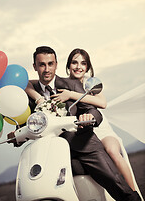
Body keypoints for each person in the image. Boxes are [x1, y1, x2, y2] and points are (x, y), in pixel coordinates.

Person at [25, 45, 141, 201]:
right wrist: (17, 133)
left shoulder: (72, 85)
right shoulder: (31, 93)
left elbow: (94, 111)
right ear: (35, 66)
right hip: (52, 150)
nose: (46, 69)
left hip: (84, 143)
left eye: (50, 64)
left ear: (57, 64)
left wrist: (88, 118)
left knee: (115, 182)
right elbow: (28, 122)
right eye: (42, 64)